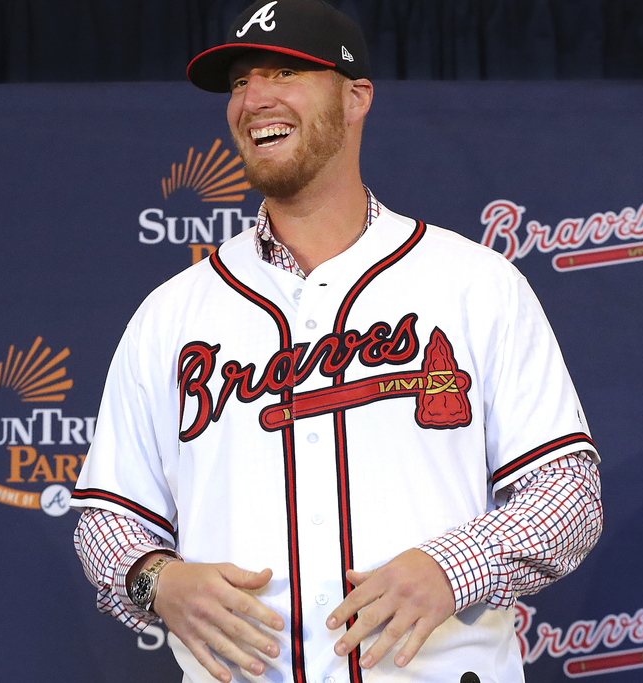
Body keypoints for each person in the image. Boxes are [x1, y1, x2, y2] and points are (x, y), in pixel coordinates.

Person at [72, 1, 602, 681]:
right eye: (239, 82)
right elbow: (107, 520)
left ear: (356, 98)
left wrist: (453, 568)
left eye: (284, 73)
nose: (253, 99)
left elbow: (566, 493)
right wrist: (157, 580)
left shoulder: (474, 283)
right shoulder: (171, 313)